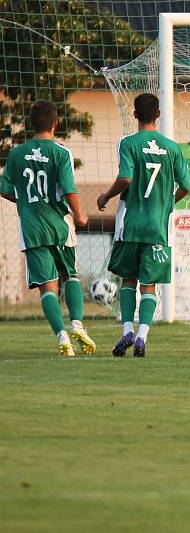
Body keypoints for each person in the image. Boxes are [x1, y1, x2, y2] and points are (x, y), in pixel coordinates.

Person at [97, 93, 190, 357]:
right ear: (158, 115)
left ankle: (127, 329)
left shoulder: (127, 143)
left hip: (131, 224)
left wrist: (106, 195)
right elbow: (187, 187)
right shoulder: (172, 148)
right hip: (157, 227)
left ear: (134, 115)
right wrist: (168, 204)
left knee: (129, 278)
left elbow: (126, 178)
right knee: (149, 284)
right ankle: (141, 337)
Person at [0, 100, 95, 356]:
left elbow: (5, 189)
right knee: (70, 275)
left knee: (47, 286)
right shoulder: (61, 153)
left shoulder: (17, 154)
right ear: (56, 123)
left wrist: (26, 202)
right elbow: (69, 189)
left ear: (32, 124)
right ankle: (77, 323)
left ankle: (62, 336)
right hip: (59, 224)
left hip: (32, 228)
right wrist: (80, 215)